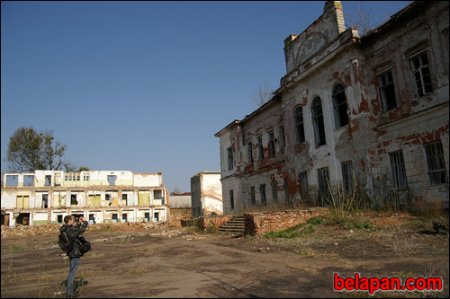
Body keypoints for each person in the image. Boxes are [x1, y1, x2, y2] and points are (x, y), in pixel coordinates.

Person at [60, 215, 89, 298]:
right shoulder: (69, 230)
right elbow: (79, 231)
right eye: (73, 220)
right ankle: (70, 292)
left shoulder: (65, 229)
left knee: (71, 271)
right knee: (72, 273)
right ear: (69, 221)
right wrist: (85, 222)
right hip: (74, 253)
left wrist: (80, 222)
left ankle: (70, 290)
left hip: (71, 252)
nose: (74, 221)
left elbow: (76, 230)